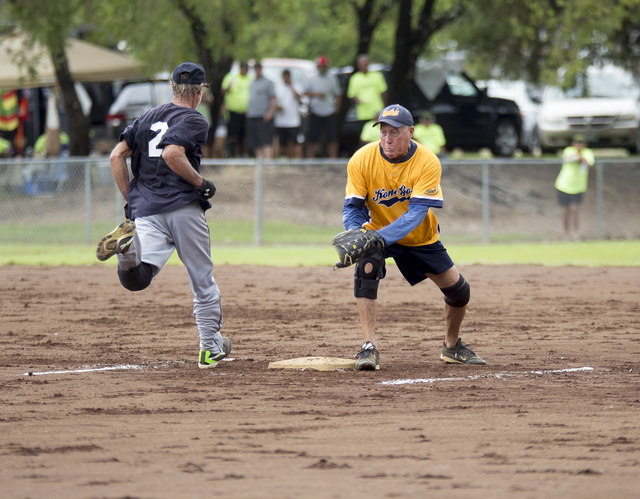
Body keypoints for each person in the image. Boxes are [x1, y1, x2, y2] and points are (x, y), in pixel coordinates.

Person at [96, 62, 231, 369]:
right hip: (183, 207)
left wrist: (130, 198)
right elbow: (172, 153)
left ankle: (126, 253)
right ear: (199, 92)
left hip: (146, 210)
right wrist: (201, 183)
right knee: (202, 281)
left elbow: (116, 155)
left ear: (172, 87)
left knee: (138, 278)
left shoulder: (145, 117)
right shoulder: (195, 119)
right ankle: (210, 348)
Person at [341, 104, 485, 371]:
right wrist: (356, 232)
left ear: (410, 132)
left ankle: (451, 347)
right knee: (367, 266)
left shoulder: (427, 161)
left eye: (394, 132)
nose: (387, 139)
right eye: (383, 132)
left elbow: (416, 213)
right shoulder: (361, 159)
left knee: (459, 292)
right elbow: (353, 208)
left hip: (419, 237)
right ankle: (368, 347)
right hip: (377, 233)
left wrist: (379, 238)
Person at [555, 134, 595, 241]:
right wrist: (579, 157)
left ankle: (575, 233)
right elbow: (569, 158)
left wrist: (581, 157)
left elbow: (589, 164)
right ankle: (566, 234)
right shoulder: (568, 150)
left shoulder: (588, 153)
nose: (579, 145)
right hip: (564, 185)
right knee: (564, 210)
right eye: (577, 142)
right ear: (573, 144)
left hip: (578, 187)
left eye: (581, 143)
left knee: (574, 208)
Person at [305, 55, 342, 158]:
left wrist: (336, 109)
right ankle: (311, 159)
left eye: (324, 66)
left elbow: (338, 94)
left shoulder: (332, 79)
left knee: (332, 137)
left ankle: (333, 158)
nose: (322, 68)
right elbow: (306, 93)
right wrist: (316, 94)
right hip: (315, 110)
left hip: (329, 111)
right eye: (320, 66)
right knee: (312, 137)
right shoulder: (312, 79)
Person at [347, 54, 388, 138]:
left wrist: (385, 108)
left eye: (365, 64)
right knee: (366, 136)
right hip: (363, 113)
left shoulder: (377, 76)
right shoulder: (355, 78)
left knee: (381, 134)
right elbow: (350, 95)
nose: (364, 66)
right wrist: (357, 100)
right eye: (362, 64)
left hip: (377, 111)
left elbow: (383, 92)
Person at [246, 61, 277, 160]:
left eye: (258, 68)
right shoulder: (252, 82)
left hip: (263, 116)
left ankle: (267, 162)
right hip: (252, 115)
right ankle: (259, 164)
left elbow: (273, 98)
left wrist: (270, 113)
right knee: (256, 141)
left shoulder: (267, 82)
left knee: (265, 141)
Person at [221, 61, 253, 157]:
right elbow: (223, 92)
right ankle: (234, 154)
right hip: (234, 112)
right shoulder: (231, 77)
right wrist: (228, 87)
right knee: (234, 135)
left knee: (245, 135)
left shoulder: (251, 79)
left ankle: (245, 154)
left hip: (247, 112)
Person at [274, 69, 303, 159]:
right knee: (284, 144)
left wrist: (291, 87)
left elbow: (300, 100)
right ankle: (289, 160)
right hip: (281, 121)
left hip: (294, 121)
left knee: (295, 142)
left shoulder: (297, 86)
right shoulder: (278, 88)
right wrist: (278, 108)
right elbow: (275, 102)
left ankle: (300, 160)